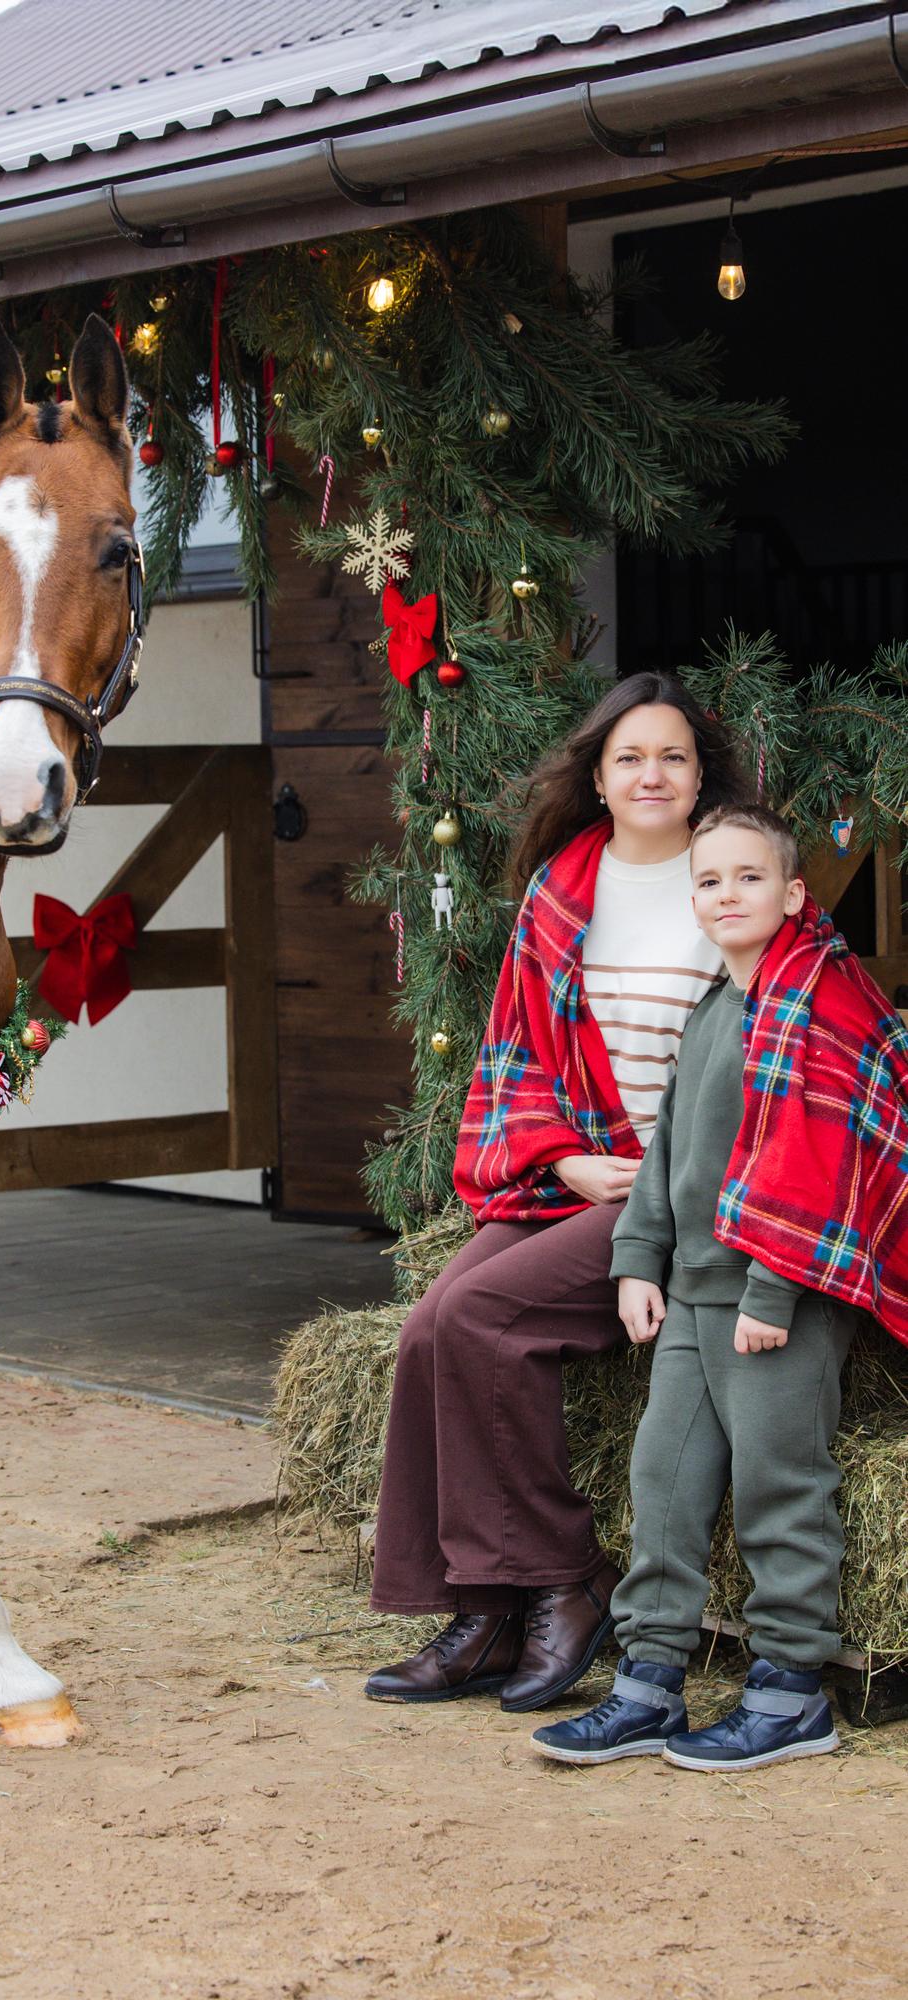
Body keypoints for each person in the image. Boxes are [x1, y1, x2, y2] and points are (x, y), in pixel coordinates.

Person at [365, 673, 746, 1713]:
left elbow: (779, 1046)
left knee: (483, 1314)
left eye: (671, 755)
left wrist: (664, 1173)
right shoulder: (561, 888)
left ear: (699, 769)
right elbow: (516, 1054)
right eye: (629, 757)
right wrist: (558, 1157)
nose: (650, 773)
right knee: (424, 1332)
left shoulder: (730, 878)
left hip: (689, 1185)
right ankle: (483, 1610)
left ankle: (562, 1576)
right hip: (580, 1171)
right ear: (598, 774)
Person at [533, 804, 908, 1770]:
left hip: (778, 1299)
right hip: (695, 1293)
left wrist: (772, 1299)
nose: (726, 895)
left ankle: (790, 1695)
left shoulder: (821, 1008)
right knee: (663, 1480)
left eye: (748, 878)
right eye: (708, 880)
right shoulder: (717, 1005)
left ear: (792, 892)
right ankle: (648, 1682)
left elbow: (819, 1166)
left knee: (780, 1485)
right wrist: (635, 1263)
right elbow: (665, 1154)